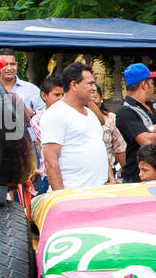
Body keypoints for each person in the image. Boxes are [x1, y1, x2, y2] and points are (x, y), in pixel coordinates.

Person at [41, 62, 110, 190]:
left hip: (98, 192)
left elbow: (99, 148)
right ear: (74, 85)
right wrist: (62, 198)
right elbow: (50, 161)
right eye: (90, 83)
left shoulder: (90, 113)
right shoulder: (56, 114)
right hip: (72, 193)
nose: (94, 88)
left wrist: (111, 179)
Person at [87, 83, 126, 182]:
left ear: (101, 98)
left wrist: (126, 173)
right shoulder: (78, 118)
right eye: (89, 97)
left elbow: (120, 148)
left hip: (108, 172)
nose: (92, 101)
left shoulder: (111, 118)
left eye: (95, 96)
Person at [0, 47, 44, 118]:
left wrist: (32, 113)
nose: (9, 68)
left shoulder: (31, 90)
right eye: (5, 64)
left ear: (17, 65)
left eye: (12, 64)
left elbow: (45, 114)